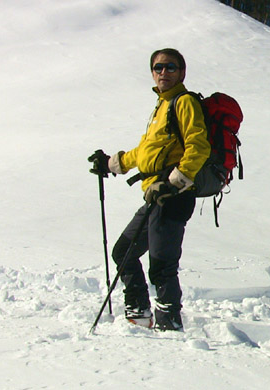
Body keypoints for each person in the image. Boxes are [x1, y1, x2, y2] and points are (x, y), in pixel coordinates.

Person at [96, 48, 210, 331]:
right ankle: (138, 313)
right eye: (158, 68)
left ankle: (169, 323)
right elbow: (145, 152)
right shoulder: (162, 107)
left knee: (162, 265)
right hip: (155, 196)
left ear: (182, 73)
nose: (164, 72)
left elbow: (199, 147)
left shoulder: (184, 102)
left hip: (173, 197)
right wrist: (112, 163)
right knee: (123, 252)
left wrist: (174, 183)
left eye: (171, 67)